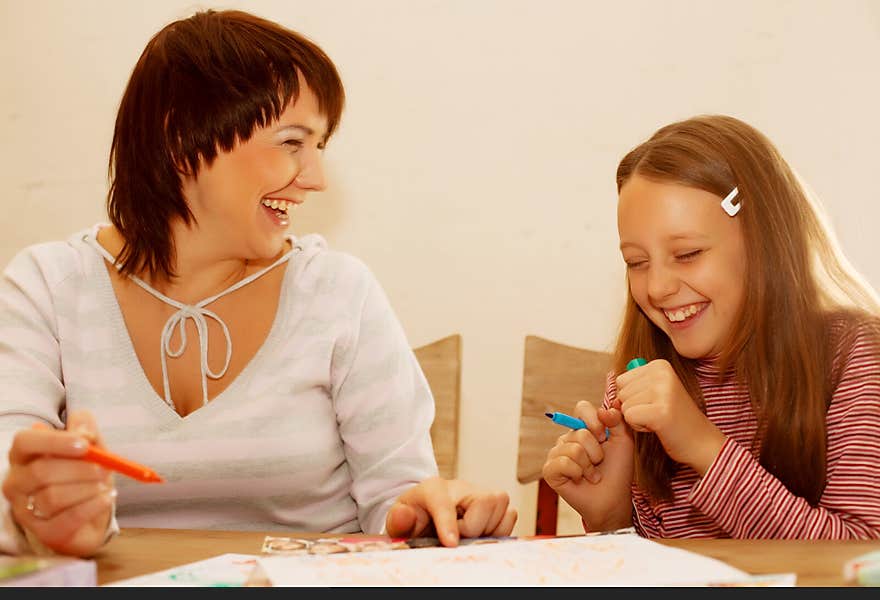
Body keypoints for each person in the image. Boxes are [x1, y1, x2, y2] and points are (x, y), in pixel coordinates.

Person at [0, 9, 516, 557]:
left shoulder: (339, 291)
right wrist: (49, 515)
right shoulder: (47, 288)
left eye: (320, 146)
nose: (315, 178)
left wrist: (431, 510)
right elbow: (12, 483)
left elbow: (396, 499)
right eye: (292, 142)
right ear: (180, 136)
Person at [542, 114, 880, 539]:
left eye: (687, 254)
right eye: (637, 262)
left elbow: (860, 560)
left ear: (765, 242)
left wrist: (702, 446)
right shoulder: (637, 384)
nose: (660, 288)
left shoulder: (852, 357)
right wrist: (611, 519)